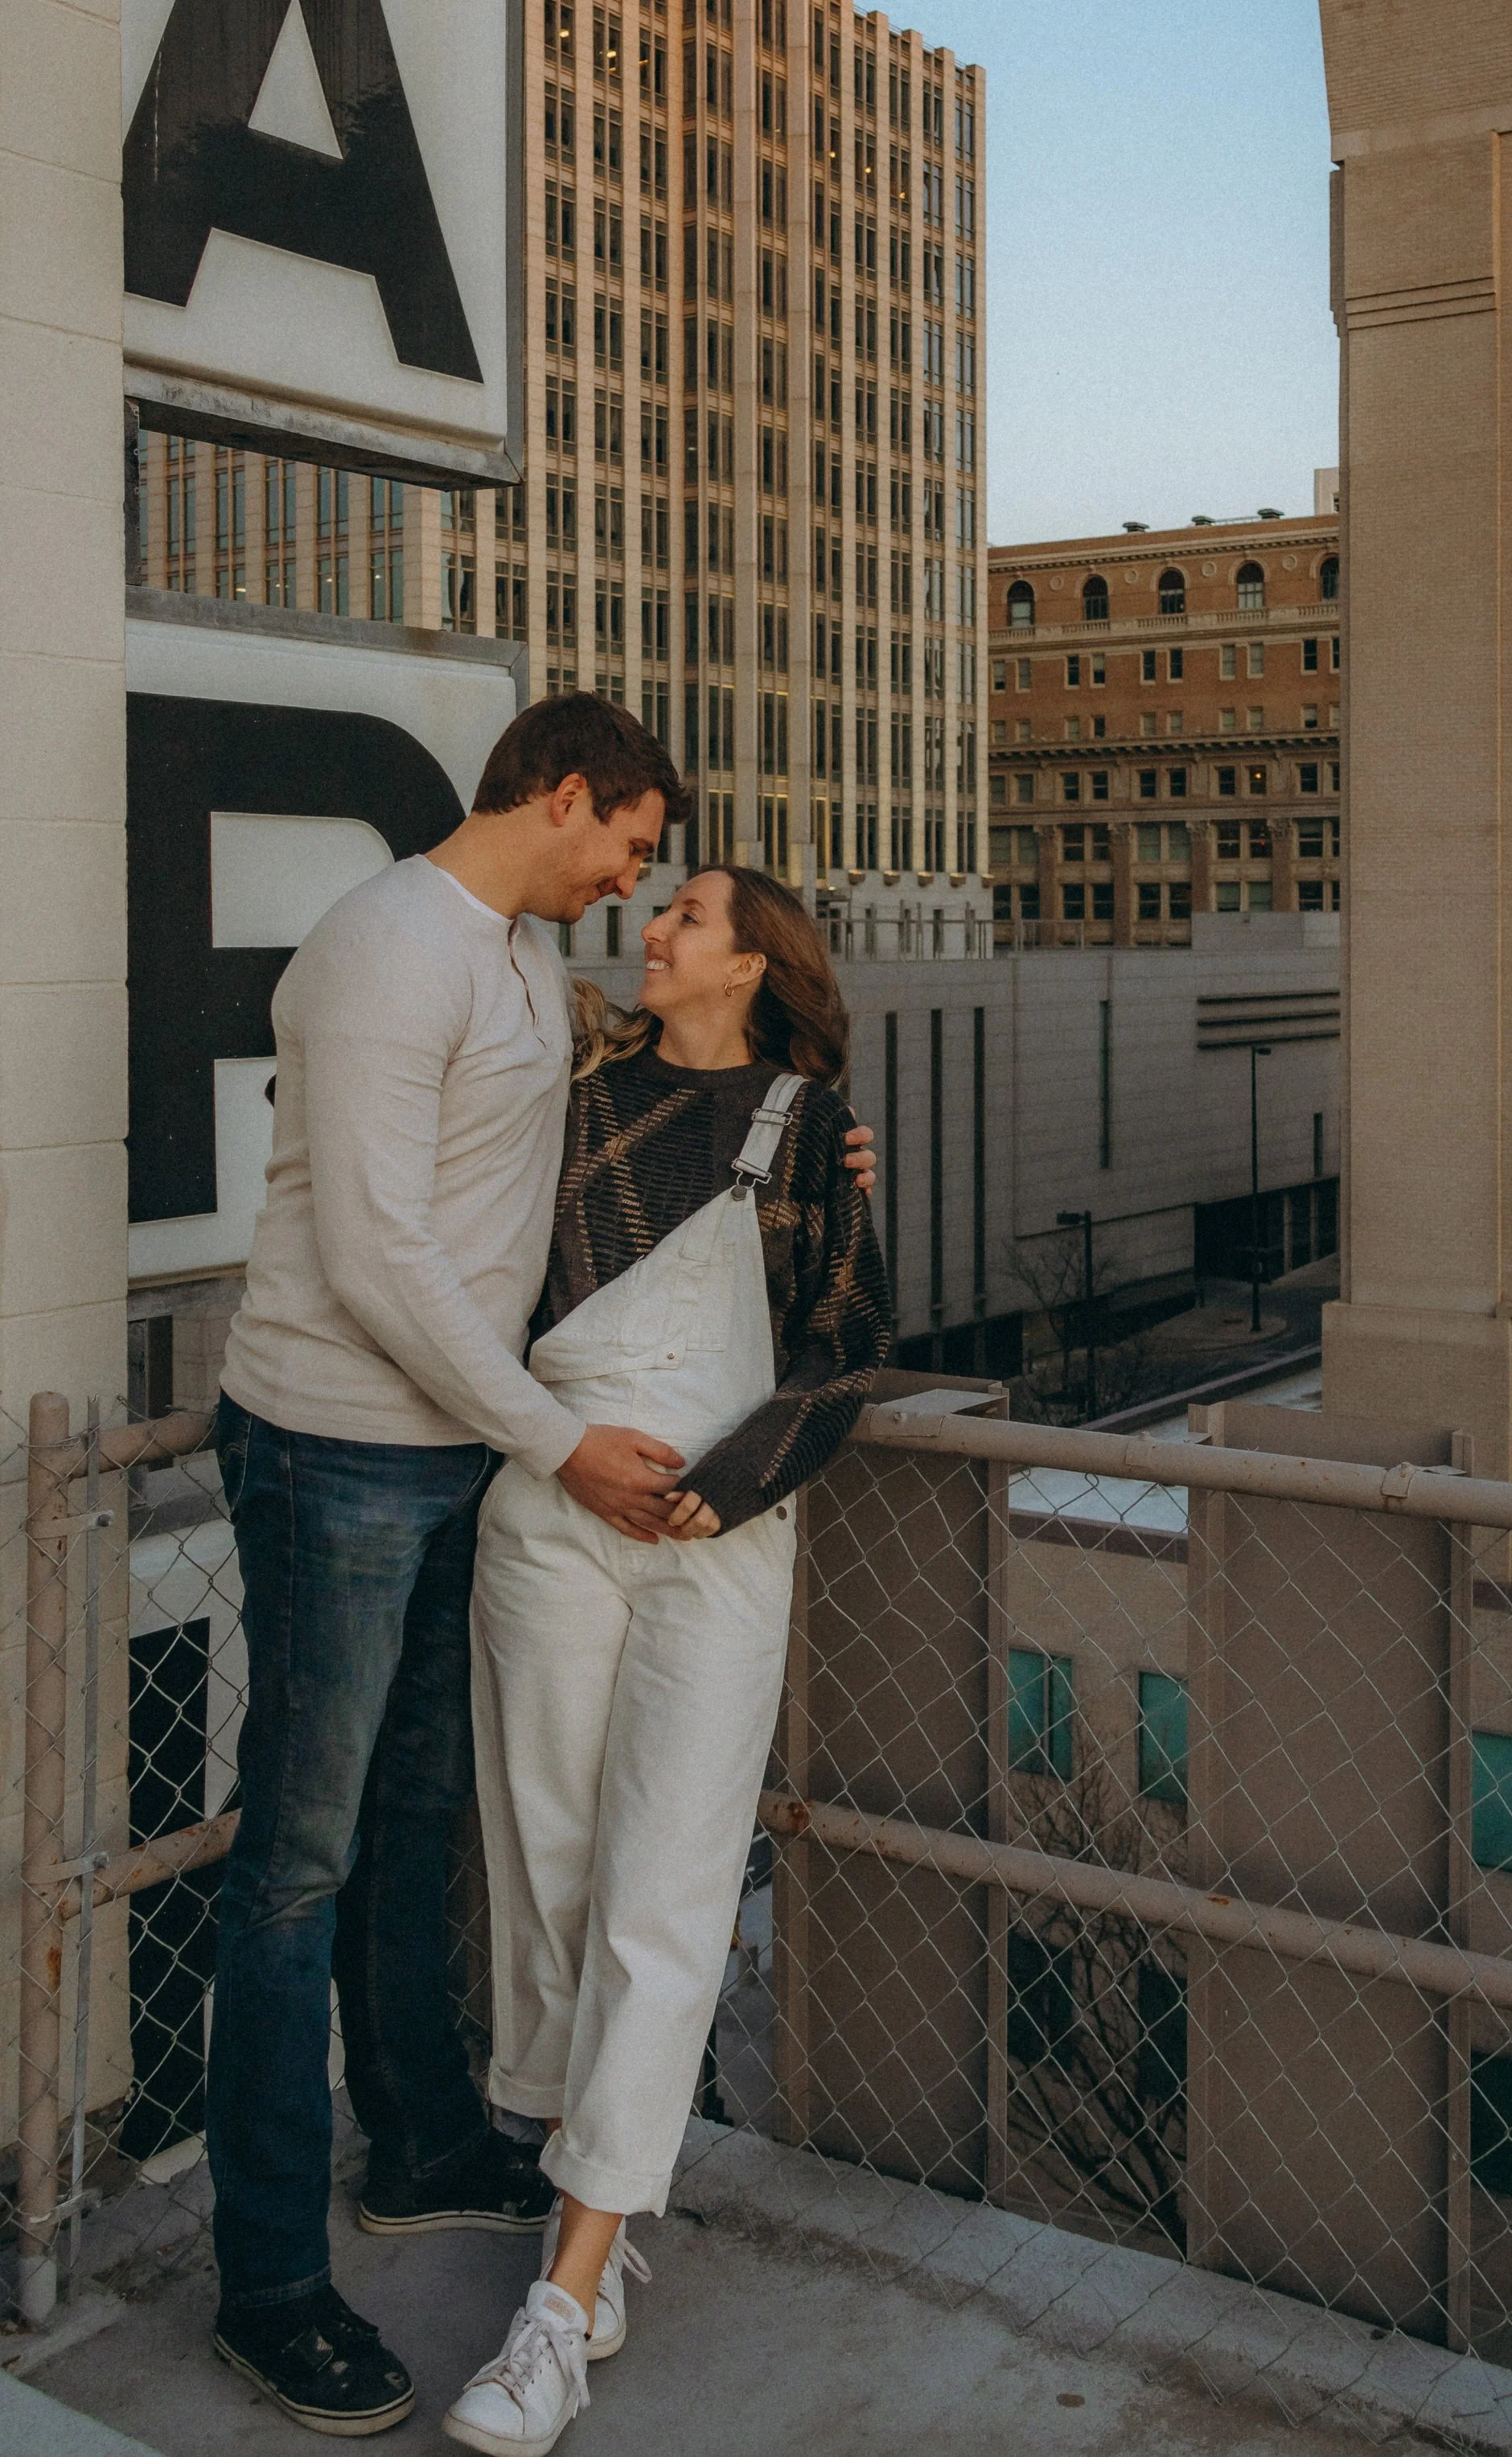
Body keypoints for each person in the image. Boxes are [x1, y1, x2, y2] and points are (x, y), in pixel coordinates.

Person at [204, 698, 874, 2436]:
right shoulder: (404, 955)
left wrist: (813, 1133)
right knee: (312, 1861)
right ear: (567, 798)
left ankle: (440, 2156)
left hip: (489, 1470)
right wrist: (553, 1442)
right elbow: (365, 1224)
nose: (639, 892)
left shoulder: (521, 974)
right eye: (636, 851)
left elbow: (820, 1311)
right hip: (376, 1453)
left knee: (434, 1833)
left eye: (672, 890)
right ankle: (271, 2278)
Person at [440, 868, 893, 2457]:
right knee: (549, 1863)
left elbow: (848, 1340)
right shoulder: (562, 1086)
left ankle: (555, 2309)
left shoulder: (808, 1120)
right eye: (664, 900)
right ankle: (609, 2201)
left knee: (667, 1887)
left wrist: (732, 1477)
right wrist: (566, 1450)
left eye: (694, 912)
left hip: (717, 1541)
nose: (660, 924)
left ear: (761, 962)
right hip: (548, 1506)